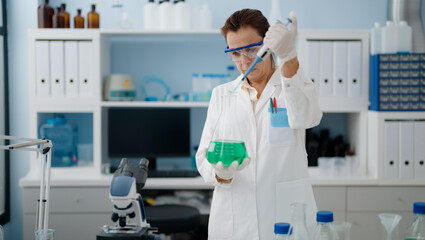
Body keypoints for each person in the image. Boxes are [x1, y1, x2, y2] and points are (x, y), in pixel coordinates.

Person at [196, 9, 323, 240]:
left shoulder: (292, 82)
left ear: (269, 44)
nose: (244, 62)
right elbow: (203, 157)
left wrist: (289, 55)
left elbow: (308, 117)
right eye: (235, 54)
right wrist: (220, 174)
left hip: (285, 215)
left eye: (251, 50)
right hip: (233, 221)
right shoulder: (222, 95)